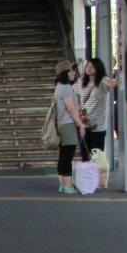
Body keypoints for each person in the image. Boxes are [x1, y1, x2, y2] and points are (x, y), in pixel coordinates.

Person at [53, 60, 86, 194]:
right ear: (64, 73)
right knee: (68, 155)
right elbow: (71, 109)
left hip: (62, 124)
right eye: (70, 70)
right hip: (68, 124)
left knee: (63, 154)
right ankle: (68, 185)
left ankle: (63, 184)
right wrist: (80, 124)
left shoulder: (59, 86)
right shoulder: (66, 88)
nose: (73, 73)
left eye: (73, 70)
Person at [78, 57, 117, 154]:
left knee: (97, 157)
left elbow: (112, 84)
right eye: (87, 66)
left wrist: (120, 73)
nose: (88, 68)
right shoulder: (81, 81)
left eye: (92, 66)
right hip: (83, 124)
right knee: (85, 156)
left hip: (97, 127)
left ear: (98, 68)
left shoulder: (103, 81)